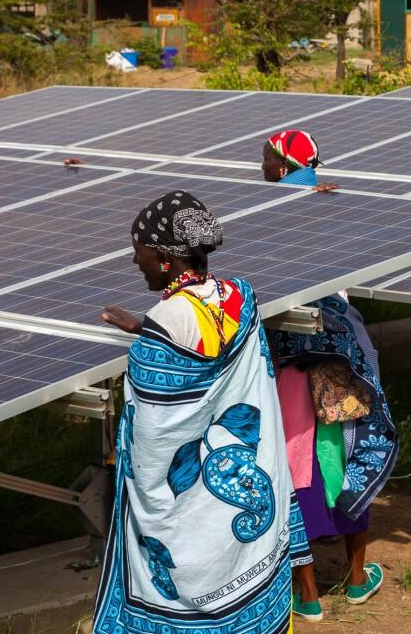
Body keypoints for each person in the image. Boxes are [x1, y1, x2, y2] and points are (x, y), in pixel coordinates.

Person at [95, 191, 312, 632]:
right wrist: (149, 324)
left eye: (138, 252)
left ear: (162, 257)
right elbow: (205, 330)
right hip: (240, 519)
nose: (134, 262)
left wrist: (152, 334)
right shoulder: (241, 296)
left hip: (193, 527)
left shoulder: (168, 324)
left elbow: (153, 447)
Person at [259, 130, 396, 622]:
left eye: (265, 161)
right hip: (343, 364)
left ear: (280, 168)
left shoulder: (264, 214)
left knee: (296, 469)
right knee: (351, 455)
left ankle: (309, 593)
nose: (260, 170)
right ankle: (357, 578)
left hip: (292, 368)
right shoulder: (336, 204)